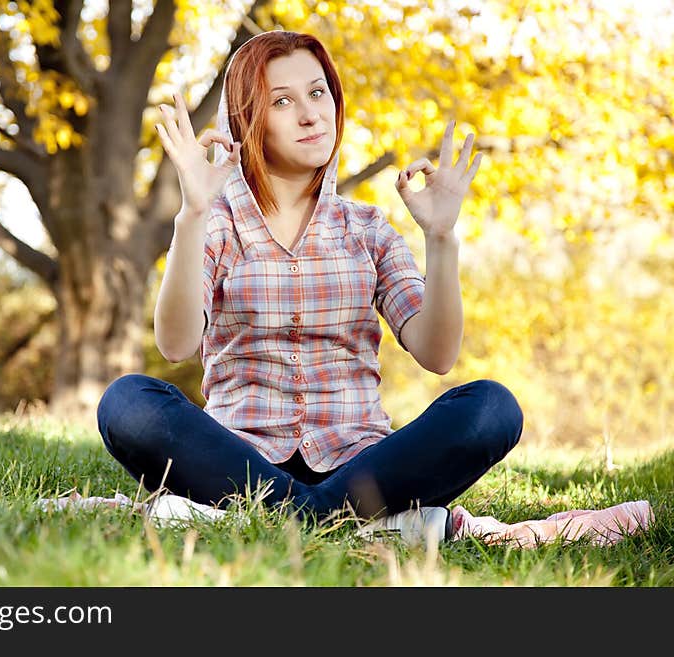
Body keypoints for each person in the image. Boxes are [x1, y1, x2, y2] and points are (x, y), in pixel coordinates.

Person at [97, 30, 523, 541]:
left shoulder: (367, 229)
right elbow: (175, 344)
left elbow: (437, 353)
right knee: (126, 402)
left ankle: (277, 520)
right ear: (248, 122)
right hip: (238, 464)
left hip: (362, 464)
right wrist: (191, 214)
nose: (310, 114)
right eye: (283, 101)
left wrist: (441, 236)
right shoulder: (218, 226)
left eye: (318, 93)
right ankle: (366, 524)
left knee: (492, 408)